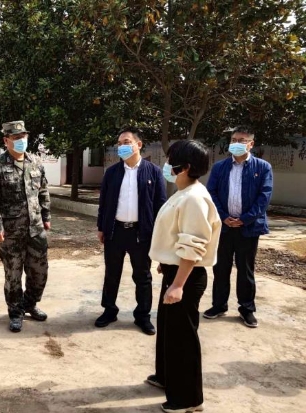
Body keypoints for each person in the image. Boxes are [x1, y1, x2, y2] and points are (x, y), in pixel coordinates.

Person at [146, 140, 221, 413]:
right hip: (176, 270)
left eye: (171, 161)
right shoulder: (183, 192)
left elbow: (193, 244)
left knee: (182, 337)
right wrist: (166, 262)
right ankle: (167, 377)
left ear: (185, 167)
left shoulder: (194, 198)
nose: (166, 165)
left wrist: (178, 284)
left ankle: (188, 399)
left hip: (187, 277)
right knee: (168, 330)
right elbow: (175, 234)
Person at [96, 127, 167, 335]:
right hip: (115, 232)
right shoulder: (112, 173)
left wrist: (158, 234)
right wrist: (101, 227)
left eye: (126, 142)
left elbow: (160, 205)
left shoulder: (153, 172)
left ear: (139, 145)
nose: (122, 147)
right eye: (119, 144)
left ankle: (143, 316)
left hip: (141, 233)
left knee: (143, 276)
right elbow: (103, 203)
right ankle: (109, 311)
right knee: (111, 274)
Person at [0, 120, 51, 332]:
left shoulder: (35, 162)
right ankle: (15, 312)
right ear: (6, 140)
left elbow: (43, 191)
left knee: (39, 271)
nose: (21, 140)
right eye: (16, 138)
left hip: (36, 229)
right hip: (11, 232)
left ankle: (30, 304)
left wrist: (46, 215)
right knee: (13, 275)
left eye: (23, 137)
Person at [204, 126, 273, 328]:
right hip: (224, 227)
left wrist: (245, 219)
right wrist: (224, 217)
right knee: (220, 268)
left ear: (251, 144)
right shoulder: (220, 167)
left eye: (241, 141)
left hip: (248, 229)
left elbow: (264, 197)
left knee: (246, 270)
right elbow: (211, 193)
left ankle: (246, 309)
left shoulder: (263, 167)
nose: (236, 143)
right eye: (233, 140)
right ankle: (219, 305)